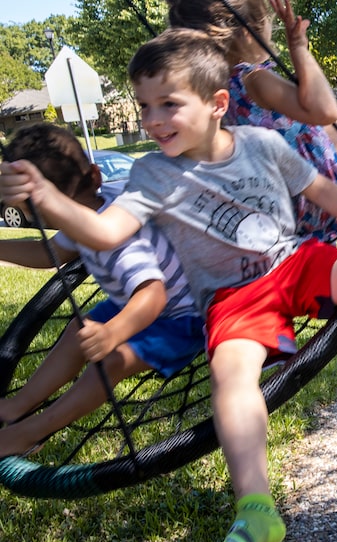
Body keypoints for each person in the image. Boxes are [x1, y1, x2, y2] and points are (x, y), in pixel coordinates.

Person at [0, 29, 337, 542]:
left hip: (291, 262)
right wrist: (44, 196)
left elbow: (322, 190)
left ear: (218, 103)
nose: (152, 120)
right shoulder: (150, 174)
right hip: (231, 300)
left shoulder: (260, 145)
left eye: (169, 105)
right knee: (231, 380)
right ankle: (256, 508)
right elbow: (103, 230)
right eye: (144, 106)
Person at [0, 123, 204, 458]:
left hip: (182, 314)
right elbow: (50, 253)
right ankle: (18, 405)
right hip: (133, 300)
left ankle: (33, 430)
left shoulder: (117, 236)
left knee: (111, 361)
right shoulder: (89, 206)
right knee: (75, 331)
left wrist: (113, 334)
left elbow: (153, 293)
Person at [166, 0, 337, 241]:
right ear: (248, 33)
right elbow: (325, 110)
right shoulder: (253, 78)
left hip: (272, 203)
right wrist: (299, 48)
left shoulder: (209, 93)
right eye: (269, 22)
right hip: (319, 199)